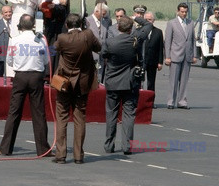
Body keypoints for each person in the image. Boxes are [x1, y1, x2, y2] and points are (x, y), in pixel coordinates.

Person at [0, 14, 53, 157]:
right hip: (36, 76)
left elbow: (9, 60)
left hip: (20, 76)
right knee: (39, 113)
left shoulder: (14, 40)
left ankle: (5, 148)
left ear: (20, 25)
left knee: (14, 112)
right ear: (33, 25)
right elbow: (46, 60)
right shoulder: (40, 40)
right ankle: (42, 148)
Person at [52, 13, 101, 164]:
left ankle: (60, 154)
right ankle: (78, 156)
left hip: (64, 83)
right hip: (82, 83)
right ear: (82, 24)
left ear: (67, 25)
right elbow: (98, 47)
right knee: (80, 118)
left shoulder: (62, 38)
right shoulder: (88, 35)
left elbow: (55, 49)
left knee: (62, 118)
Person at [102, 15, 151, 155]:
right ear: (131, 29)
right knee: (129, 115)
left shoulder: (110, 42)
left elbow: (103, 55)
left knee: (111, 114)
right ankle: (127, 146)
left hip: (113, 81)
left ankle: (109, 145)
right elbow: (148, 26)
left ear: (117, 27)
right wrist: (138, 18)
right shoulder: (136, 39)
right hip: (130, 82)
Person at [165, 3, 197, 110]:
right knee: (173, 80)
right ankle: (171, 101)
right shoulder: (171, 23)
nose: (184, 14)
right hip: (175, 55)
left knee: (184, 80)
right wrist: (167, 56)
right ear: (178, 11)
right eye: (182, 11)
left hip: (187, 56)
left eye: (185, 12)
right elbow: (168, 41)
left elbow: (193, 40)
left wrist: (194, 55)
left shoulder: (190, 23)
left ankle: (182, 101)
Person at [39, 0, 69, 81]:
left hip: (58, 25)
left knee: (55, 49)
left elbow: (63, 9)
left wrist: (53, 7)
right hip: (46, 24)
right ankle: (45, 72)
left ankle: (54, 73)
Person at [143, 11, 164, 108]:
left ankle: (150, 102)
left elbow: (160, 48)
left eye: (150, 19)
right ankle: (139, 101)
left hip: (152, 61)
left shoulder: (158, 32)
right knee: (140, 82)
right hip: (141, 61)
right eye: (146, 19)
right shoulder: (140, 31)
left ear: (153, 20)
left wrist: (160, 62)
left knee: (151, 83)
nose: (148, 21)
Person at [86, 3, 108, 78]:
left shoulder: (104, 22)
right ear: (96, 11)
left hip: (101, 58)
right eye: (103, 14)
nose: (104, 16)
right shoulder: (87, 22)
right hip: (90, 57)